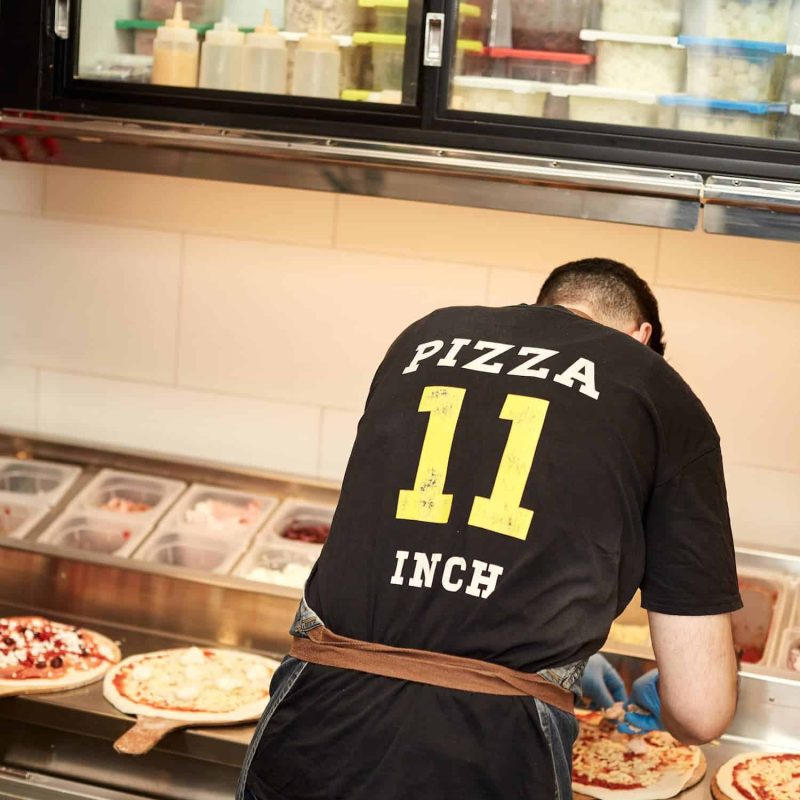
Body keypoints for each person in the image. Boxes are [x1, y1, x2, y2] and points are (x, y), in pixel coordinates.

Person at [239, 258, 741, 800]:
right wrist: (659, 700)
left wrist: (562, 657)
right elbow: (701, 710)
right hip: (491, 752)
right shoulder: (657, 388)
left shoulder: (423, 339)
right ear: (642, 339)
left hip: (313, 721)